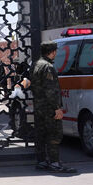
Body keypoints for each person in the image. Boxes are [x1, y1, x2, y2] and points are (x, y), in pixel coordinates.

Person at [29, 42, 76, 173]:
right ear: (53, 52)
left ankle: (42, 161)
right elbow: (50, 90)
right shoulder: (48, 67)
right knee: (54, 134)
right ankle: (55, 163)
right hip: (49, 107)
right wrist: (57, 108)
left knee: (40, 134)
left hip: (39, 106)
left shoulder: (35, 64)